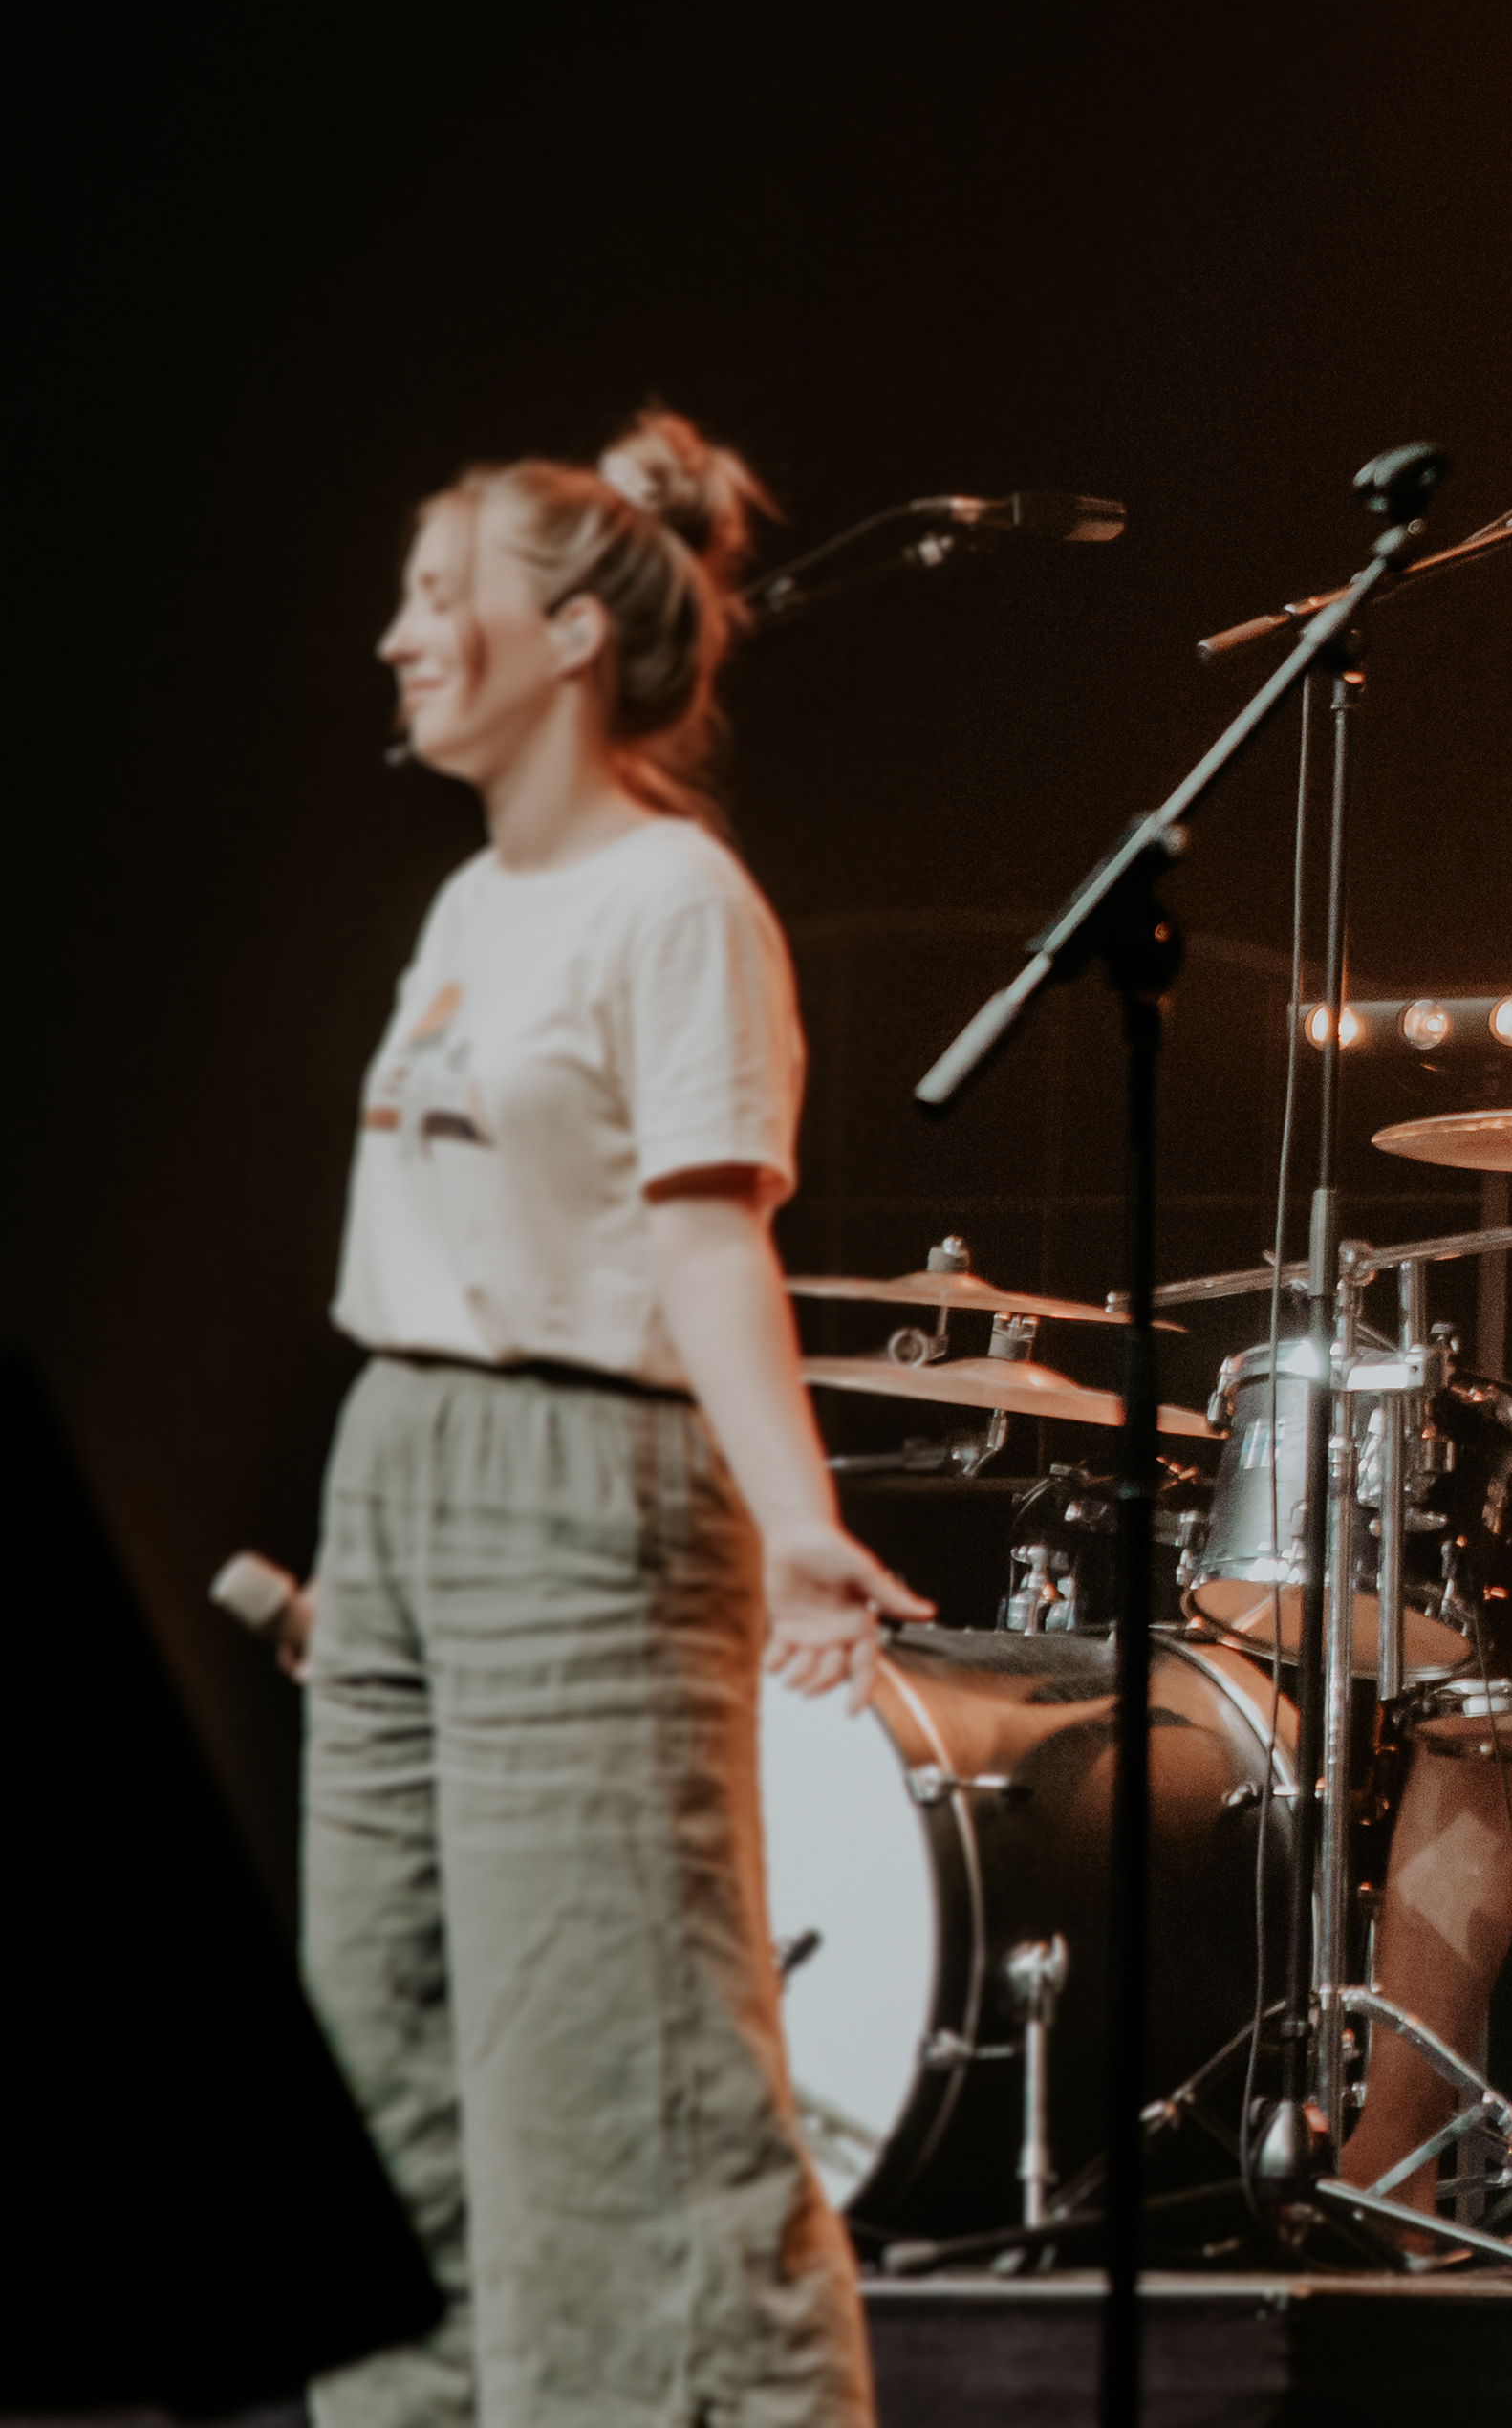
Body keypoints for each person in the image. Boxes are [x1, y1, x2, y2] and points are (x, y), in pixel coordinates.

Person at [298, 407, 924, 2428]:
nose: (400, 636)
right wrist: (383, 1527)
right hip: (408, 1469)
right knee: (381, 2069)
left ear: (569, 633)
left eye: (438, 595)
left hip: (585, 1496)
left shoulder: (677, 900)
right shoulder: (473, 906)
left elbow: (704, 1234)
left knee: (620, 2096)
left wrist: (796, 1516)